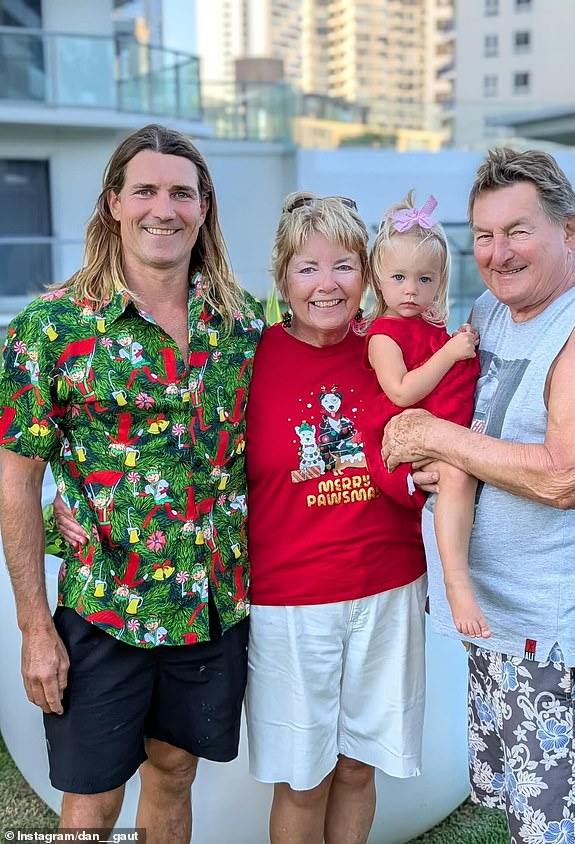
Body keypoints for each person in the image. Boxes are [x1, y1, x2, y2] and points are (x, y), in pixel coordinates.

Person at [0, 124, 263, 843]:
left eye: (182, 192)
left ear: (203, 208)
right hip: (101, 607)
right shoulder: (49, 330)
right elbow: (16, 480)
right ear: (113, 202)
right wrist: (33, 629)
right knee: (91, 807)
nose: (163, 208)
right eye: (144, 190)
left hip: (210, 606)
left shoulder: (243, 326)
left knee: (174, 774)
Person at [381, 147, 575, 844]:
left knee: (557, 831)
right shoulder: (491, 312)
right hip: (491, 620)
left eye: (518, 231)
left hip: (551, 635)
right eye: (485, 236)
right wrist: (437, 464)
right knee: (518, 817)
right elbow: (478, 431)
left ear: (570, 230)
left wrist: (436, 439)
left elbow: (563, 476)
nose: (498, 253)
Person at [244, 193, 427, 844]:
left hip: (388, 587)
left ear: (367, 276)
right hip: (291, 602)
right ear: (282, 279)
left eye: (344, 266)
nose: (327, 285)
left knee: (356, 767)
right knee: (303, 778)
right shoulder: (249, 360)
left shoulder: (393, 354)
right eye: (308, 267)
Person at [363, 190, 487, 638]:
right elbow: (400, 392)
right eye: (398, 278)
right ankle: (456, 582)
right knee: (458, 476)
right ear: (379, 281)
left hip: (441, 426)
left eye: (424, 279)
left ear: (440, 281)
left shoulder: (431, 326)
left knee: (465, 471)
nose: (411, 290)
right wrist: (451, 353)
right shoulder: (383, 334)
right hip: (405, 441)